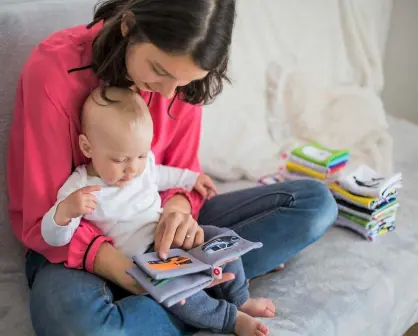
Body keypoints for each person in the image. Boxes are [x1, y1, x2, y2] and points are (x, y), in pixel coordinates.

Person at [7, 0, 338, 335]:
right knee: (81, 327)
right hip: (75, 249)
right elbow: (45, 216)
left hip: (158, 233)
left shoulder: (180, 81)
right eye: (160, 71)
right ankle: (201, 298)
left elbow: (180, 173)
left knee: (316, 204)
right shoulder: (53, 70)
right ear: (129, 26)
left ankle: (186, 292)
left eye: (183, 82)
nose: (169, 93)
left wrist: (178, 213)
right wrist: (127, 272)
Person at [41, 87, 275, 335]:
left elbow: (163, 174)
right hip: (145, 258)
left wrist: (191, 178)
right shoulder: (81, 186)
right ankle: (230, 319)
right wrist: (65, 211)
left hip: (171, 234)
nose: (132, 170)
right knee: (180, 293)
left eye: (141, 155)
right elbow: (54, 237)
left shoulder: (142, 166)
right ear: (87, 147)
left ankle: (239, 298)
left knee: (222, 238)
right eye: (119, 160)